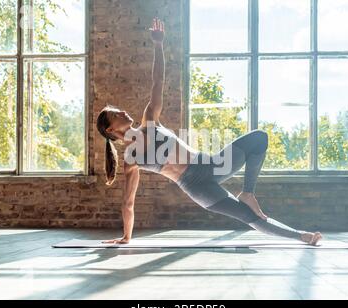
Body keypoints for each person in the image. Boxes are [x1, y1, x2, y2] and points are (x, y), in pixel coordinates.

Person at [96, 17, 322, 246]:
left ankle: (248, 193)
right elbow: (128, 201)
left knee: (259, 138)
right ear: (110, 129)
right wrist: (126, 237)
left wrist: (158, 45)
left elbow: (158, 82)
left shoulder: (150, 121)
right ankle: (302, 236)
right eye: (117, 114)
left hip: (211, 165)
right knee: (248, 216)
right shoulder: (131, 158)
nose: (123, 112)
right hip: (196, 186)